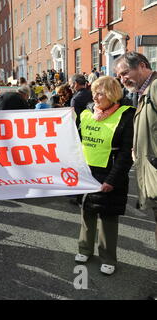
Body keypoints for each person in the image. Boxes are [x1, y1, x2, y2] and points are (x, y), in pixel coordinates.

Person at [76, 76, 135, 276]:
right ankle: (84, 249)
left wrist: (112, 180)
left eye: (100, 93)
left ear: (112, 94)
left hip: (109, 174)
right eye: (94, 92)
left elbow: (127, 154)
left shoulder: (126, 116)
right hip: (86, 173)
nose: (95, 96)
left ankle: (108, 258)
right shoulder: (87, 112)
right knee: (86, 211)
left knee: (108, 217)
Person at [115, 52, 157, 299]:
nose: (122, 79)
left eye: (125, 73)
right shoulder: (143, 93)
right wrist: (137, 148)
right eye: (119, 76)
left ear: (142, 66)